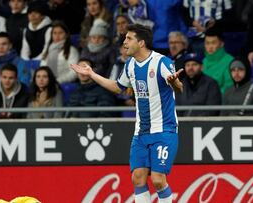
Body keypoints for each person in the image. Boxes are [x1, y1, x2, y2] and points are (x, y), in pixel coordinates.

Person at [71, 24, 183, 203]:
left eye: (129, 39)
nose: (124, 42)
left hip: (164, 130)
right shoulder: (130, 64)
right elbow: (117, 87)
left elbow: (179, 87)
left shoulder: (162, 62)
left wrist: (174, 82)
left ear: (141, 42)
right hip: (141, 132)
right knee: (137, 177)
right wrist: (91, 74)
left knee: (157, 179)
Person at [203, 27, 233, 94]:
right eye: (207, 43)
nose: (210, 47)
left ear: (222, 44)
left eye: (213, 43)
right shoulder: (203, 61)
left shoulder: (230, 62)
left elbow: (228, 88)